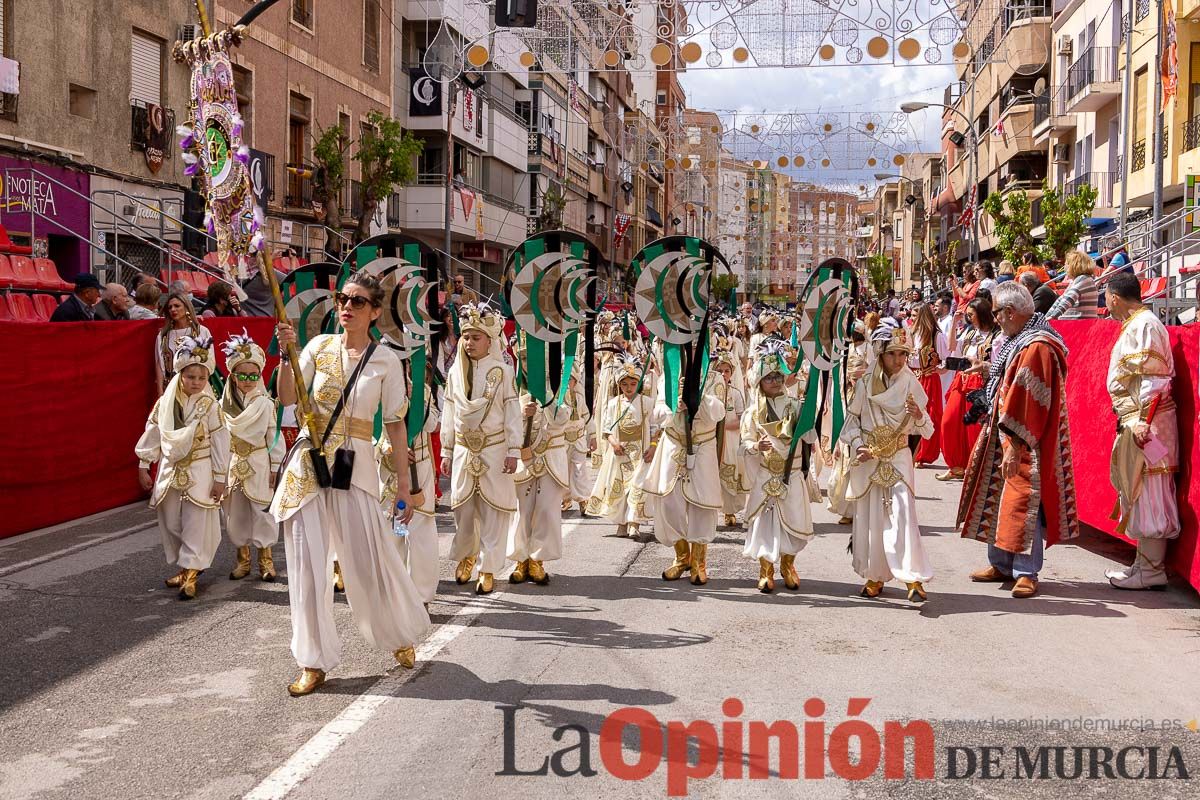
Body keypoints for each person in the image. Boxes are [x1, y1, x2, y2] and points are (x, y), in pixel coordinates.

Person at [271, 272, 430, 697]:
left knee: (369, 559)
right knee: (306, 567)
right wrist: (287, 357)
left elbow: (396, 426)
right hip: (309, 466)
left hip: (355, 466)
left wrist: (401, 487)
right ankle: (312, 660)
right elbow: (288, 398)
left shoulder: (385, 360)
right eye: (343, 299)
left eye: (358, 302)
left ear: (375, 312)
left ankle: (397, 633)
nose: (347, 306)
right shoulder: (317, 347)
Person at [958, 282, 1078, 599]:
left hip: (1025, 437)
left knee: (1024, 503)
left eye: (997, 312)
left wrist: (1015, 442)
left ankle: (1026, 571)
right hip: (1005, 431)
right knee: (998, 499)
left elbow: (1029, 398)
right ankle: (1001, 563)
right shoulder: (1020, 340)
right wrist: (989, 371)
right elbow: (1013, 381)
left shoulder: (1037, 345)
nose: (995, 318)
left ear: (1010, 313)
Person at [841, 322, 935, 601]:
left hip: (898, 457)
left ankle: (913, 578)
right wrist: (858, 446)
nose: (899, 360)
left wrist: (918, 414)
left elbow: (927, 428)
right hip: (870, 460)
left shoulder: (910, 383)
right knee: (872, 518)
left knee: (903, 515)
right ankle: (875, 575)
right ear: (880, 354)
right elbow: (851, 424)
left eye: (903, 354)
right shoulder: (864, 385)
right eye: (893, 353)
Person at [135, 334, 229, 601]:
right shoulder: (165, 403)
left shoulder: (210, 405)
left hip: (200, 469)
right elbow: (153, 431)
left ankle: (191, 571)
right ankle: (185, 564)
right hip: (170, 467)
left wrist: (220, 477)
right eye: (190, 377)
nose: (196, 383)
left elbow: (221, 441)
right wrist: (144, 463)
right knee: (171, 520)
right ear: (180, 374)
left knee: (196, 522)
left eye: (201, 378)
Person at [1103, 273, 1179, 589]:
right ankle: (1142, 566)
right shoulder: (1137, 324)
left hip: (1148, 426)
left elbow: (1154, 379)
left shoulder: (1144, 325)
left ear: (1115, 298)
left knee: (1150, 492)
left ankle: (1151, 570)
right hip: (1139, 422)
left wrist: (1140, 421)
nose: (1104, 302)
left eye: (1105, 296)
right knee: (1138, 490)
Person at [440, 302, 522, 595]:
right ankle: (467, 556)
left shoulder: (502, 371)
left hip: (494, 449)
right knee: (463, 512)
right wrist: (446, 451)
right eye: (466, 336)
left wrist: (513, 450)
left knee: (493, 513)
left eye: (476, 337)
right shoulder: (454, 373)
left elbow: (512, 411)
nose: (470, 342)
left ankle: (488, 568)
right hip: (464, 450)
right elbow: (449, 414)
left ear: (490, 340)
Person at [640, 367, 726, 586]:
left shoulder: (714, 376)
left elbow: (719, 412)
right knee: (669, 502)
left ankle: (699, 562)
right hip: (674, 444)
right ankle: (682, 557)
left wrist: (699, 398)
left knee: (702, 505)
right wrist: (672, 406)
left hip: (702, 446)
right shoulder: (667, 376)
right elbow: (657, 413)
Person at [741, 340, 813, 593]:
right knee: (764, 524)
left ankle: (788, 566)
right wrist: (754, 447)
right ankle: (766, 570)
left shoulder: (795, 405)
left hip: (791, 473)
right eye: (768, 377)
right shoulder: (752, 411)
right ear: (759, 381)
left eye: (778, 376)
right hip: (766, 473)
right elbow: (745, 441)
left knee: (793, 521)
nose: (774, 381)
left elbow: (810, 439)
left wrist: (808, 421)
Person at [507, 339, 574, 586]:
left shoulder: (558, 385)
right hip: (525, 457)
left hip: (550, 457)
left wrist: (545, 398)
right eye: (523, 359)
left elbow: (562, 419)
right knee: (522, 511)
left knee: (546, 509)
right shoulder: (512, 387)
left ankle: (538, 560)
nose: (528, 364)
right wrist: (520, 413)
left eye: (532, 359)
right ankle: (520, 560)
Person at [218, 332, 283, 582]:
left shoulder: (266, 405)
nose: (247, 380)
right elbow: (220, 441)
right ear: (233, 376)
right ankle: (242, 559)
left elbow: (273, 439)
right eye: (242, 375)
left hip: (259, 464)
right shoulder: (222, 407)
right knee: (235, 513)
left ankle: (266, 560)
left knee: (262, 512)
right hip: (234, 464)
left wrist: (276, 466)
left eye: (253, 375)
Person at [378, 364, 441, 607]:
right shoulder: (377, 392)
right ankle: (397, 592)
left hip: (420, 472)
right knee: (396, 532)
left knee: (421, 533)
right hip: (391, 472)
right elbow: (372, 433)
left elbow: (432, 425)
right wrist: (390, 448)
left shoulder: (423, 392)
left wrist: (417, 400)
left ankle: (421, 595)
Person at [586, 355, 653, 537]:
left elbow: (655, 427)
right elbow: (607, 429)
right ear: (619, 385)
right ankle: (621, 523)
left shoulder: (646, 402)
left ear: (638, 384)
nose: (629, 388)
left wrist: (652, 447)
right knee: (620, 487)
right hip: (620, 452)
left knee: (637, 486)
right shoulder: (613, 403)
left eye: (632, 384)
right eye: (624, 384)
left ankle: (634, 523)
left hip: (640, 451)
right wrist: (614, 444)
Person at [938, 299, 997, 481]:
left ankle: (974, 468)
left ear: (982, 313)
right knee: (949, 421)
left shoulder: (996, 336)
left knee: (972, 428)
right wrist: (955, 323)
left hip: (980, 382)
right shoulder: (970, 331)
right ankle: (956, 466)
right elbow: (952, 347)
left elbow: (996, 364)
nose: (969, 318)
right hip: (962, 378)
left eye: (971, 314)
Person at [713, 353, 750, 526]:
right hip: (710, 438)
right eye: (719, 370)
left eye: (727, 371)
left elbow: (742, 417)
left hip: (730, 439)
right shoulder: (709, 393)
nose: (723, 374)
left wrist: (724, 427)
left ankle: (729, 512)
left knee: (729, 472)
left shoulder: (735, 394)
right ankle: (709, 511)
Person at [910, 303, 947, 466]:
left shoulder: (936, 335)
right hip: (913, 377)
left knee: (929, 415)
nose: (912, 318)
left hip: (929, 379)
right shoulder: (912, 334)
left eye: (915, 315)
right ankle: (913, 451)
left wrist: (935, 370)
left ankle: (924, 454)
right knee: (911, 414)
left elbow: (945, 360)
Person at [156, 293, 213, 395]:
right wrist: (160, 392)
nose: (173, 309)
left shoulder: (201, 331)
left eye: (177, 306)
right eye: (170, 307)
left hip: (197, 388)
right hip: (171, 388)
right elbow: (160, 365)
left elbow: (209, 362)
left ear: (187, 307)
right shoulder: (163, 335)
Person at [561, 370, 593, 514]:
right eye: (564, 380)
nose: (567, 384)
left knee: (580, 470)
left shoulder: (579, 398)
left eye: (570, 380)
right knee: (563, 471)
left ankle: (583, 500)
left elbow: (586, 416)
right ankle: (564, 499)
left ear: (575, 382)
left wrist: (593, 436)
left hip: (579, 439)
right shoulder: (557, 398)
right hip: (562, 440)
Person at [1047, 251, 1099, 320]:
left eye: (1066, 264)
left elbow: (1069, 298)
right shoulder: (1077, 280)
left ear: (1073, 265)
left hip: (1080, 324)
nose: (1065, 267)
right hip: (1074, 323)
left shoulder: (1084, 279)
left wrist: (1053, 316)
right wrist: (1047, 316)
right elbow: (1060, 300)